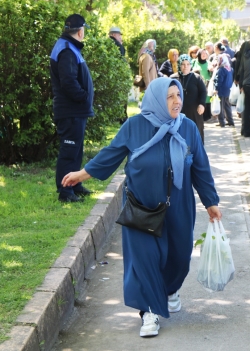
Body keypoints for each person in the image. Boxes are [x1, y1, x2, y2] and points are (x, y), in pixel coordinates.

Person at [61, 77, 222, 338]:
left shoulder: (188, 128)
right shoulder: (135, 126)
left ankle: (169, 289)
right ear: (158, 99)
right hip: (141, 206)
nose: (177, 101)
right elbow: (111, 154)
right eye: (170, 96)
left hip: (178, 206)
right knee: (144, 260)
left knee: (180, 258)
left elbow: (201, 167)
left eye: (178, 95)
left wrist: (211, 201)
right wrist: (82, 174)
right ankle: (148, 312)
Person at [50, 14, 94, 203]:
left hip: (75, 111)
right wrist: (83, 97)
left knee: (76, 150)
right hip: (71, 110)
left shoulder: (69, 47)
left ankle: (74, 184)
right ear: (80, 31)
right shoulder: (67, 49)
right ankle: (65, 191)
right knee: (69, 151)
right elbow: (68, 82)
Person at [171, 54, 207, 142]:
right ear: (179, 65)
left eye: (188, 64)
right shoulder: (173, 78)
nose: (185, 67)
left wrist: (202, 104)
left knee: (196, 133)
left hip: (194, 112)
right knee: (180, 133)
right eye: (183, 64)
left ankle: (198, 153)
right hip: (178, 111)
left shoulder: (196, 77)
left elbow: (203, 91)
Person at [213, 54, 235, 128]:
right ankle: (230, 121)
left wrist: (216, 88)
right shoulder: (230, 69)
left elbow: (219, 80)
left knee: (221, 107)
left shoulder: (221, 69)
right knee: (227, 106)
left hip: (221, 90)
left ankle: (222, 122)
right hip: (228, 90)